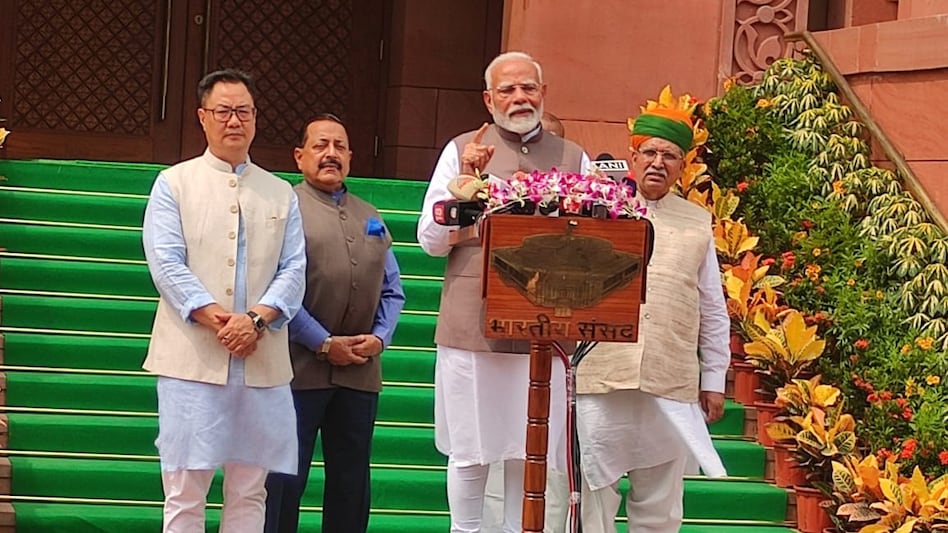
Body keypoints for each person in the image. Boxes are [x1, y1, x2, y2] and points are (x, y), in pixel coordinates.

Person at [417, 51, 591, 533]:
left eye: (528, 88)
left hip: (546, 327)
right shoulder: (461, 150)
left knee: (527, 455)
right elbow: (429, 241)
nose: (519, 98)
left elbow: (598, 237)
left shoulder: (575, 157)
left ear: (543, 94)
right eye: (508, 90)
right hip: (475, 325)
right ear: (488, 99)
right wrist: (467, 191)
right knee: (471, 450)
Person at [141, 68, 306, 532]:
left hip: (262, 362)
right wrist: (219, 320)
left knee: (251, 491)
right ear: (203, 117)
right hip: (192, 360)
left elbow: (294, 269)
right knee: (185, 491)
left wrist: (254, 320)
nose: (235, 121)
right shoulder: (174, 183)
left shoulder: (281, 192)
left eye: (244, 112)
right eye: (224, 111)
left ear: (255, 118)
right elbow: (167, 264)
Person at [575, 107, 730, 533]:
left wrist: (714, 378)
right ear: (633, 158)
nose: (658, 163)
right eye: (650, 152)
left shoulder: (698, 221)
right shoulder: (601, 211)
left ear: (682, 166)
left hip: (670, 377)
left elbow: (713, 307)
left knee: (660, 505)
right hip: (602, 373)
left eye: (670, 156)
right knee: (595, 498)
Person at [263, 113, 405, 533]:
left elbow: (393, 290)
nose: (331, 154)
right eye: (321, 145)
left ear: (350, 157)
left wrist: (379, 339)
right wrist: (323, 343)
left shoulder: (371, 213)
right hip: (297, 369)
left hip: (360, 372)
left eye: (339, 146)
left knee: (351, 482)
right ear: (299, 155)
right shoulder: (282, 209)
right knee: (285, 479)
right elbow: (275, 288)